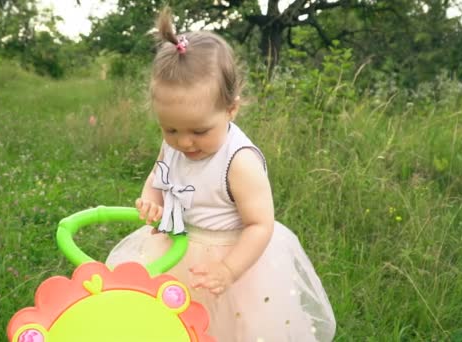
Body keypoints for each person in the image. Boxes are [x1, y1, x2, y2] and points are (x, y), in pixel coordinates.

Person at [106, 7, 336, 341]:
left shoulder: (239, 162)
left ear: (231, 109)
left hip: (235, 261)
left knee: (233, 328)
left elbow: (260, 224)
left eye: (198, 131)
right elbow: (159, 175)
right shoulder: (173, 145)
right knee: (173, 323)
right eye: (170, 129)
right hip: (177, 249)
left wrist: (228, 270)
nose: (184, 142)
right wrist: (151, 202)